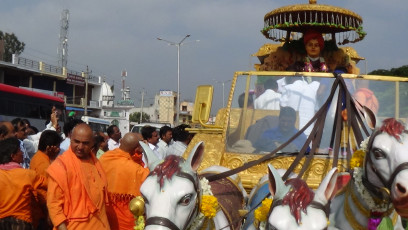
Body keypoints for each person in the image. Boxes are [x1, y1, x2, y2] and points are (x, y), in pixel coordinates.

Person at [47, 124, 110, 230]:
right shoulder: (61, 166)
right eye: (77, 141)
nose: (80, 147)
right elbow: (54, 204)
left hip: (100, 224)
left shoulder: (96, 163)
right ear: (70, 139)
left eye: (85, 143)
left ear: (92, 144)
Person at [99, 133, 149, 230]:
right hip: (126, 217)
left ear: (121, 142)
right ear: (136, 149)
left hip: (106, 212)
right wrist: (147, 150)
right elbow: (149, 177)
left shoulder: (105, 157)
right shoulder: (134, 169)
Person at [0, 137, 47, 230]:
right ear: (13, 156)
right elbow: (50, 184)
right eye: (19, 151)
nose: (22, 153)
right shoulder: (28, 175)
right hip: (22, 223)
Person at [30, 130, 62, 230]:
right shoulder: (43, 163)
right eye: (58, 146)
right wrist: (49, 213)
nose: (59, 149)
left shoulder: (39, 157)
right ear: (50, 147)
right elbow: (42, 190)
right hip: (42, 214)